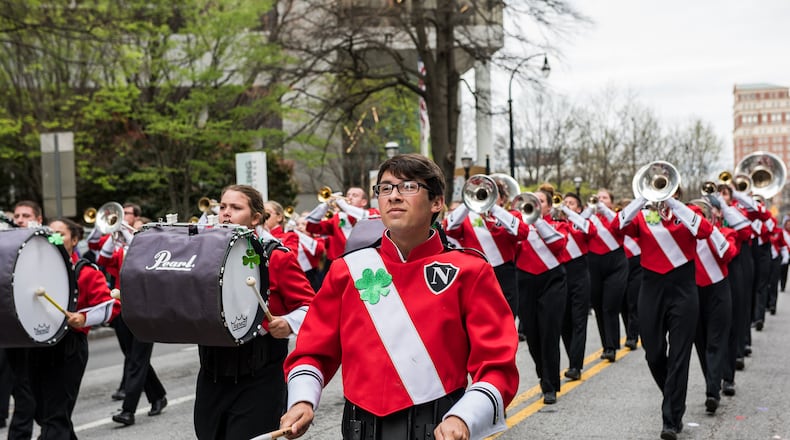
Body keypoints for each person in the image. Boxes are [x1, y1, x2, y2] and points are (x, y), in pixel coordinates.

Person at [280, 154, 519, 440]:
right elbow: (312, 350)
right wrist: (302, 400)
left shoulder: (470, 271)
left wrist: (463, 417)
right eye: (385, 188)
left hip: (439, 428)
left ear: (436, 202)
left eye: (408, 187)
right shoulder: (346, 270)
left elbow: (496, 365)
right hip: (359, 429)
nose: (393, 196)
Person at [194, 184, 314, 439]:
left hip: (259, 375)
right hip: (211, 374)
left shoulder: (276, 256)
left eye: (236, 208)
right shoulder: (204, 256)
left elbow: (312, 307)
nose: (226, 213)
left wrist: (288, 323)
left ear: (256, 217)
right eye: (223, 207)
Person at [612, 189, 713, 440]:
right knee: (654, 353)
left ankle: (671, 418)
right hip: (651, 287)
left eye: (666, 187)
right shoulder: (643, 216)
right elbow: (617, 226)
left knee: (680, 355)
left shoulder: (690, 212)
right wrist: (641, 199)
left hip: (683, 289)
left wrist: (673, 204)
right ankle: (673, 395)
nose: (660, 191)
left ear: (676, 190)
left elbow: (705, 231)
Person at [33, 217, 120, 438]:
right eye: (50, 233)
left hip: (70, 347)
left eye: (61, 234)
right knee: (42, 412)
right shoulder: (34, 270)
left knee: (55, 418)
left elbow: (112, 307)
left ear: (74, 240)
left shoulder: (85, 271)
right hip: (40, 344)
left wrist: (83, 318)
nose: (54, 238)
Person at [514, 184, 568, 404]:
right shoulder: (517, 226)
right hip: (525, 281)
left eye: (540, 202)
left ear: (548, 206)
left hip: (552, 281)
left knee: (549, 333)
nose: (535, 205)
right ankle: (543, 375)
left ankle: (550, 383)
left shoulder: (557, 225)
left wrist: (536, 219)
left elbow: (559, 245)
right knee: (533, 336)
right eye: (531, 201)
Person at [443, 178, 528, 317]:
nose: (485, 196)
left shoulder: (510, 216)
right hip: (477, 274)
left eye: (492, 193)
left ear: (501, 198)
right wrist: (468, 202)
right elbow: (448, 228)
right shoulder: (466, 218)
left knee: (507, 319)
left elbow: (522, 232)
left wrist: (492, 206)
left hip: (504, 274)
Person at [585, 189, 628, 362]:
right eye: (598, 198)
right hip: (593, 263)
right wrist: (590, 210)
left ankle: (612, 346)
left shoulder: (615, 216)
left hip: (616, 262)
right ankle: (606, 345)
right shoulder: (590, 218)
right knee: (598, 305)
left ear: (611, 202)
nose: (600, 200)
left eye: (605, 198)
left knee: (610, 306)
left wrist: (605, 210)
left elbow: (621, 226)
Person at [559, 192, 595, 380]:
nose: (566, 205)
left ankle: (575, 365)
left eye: (571, 203)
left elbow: (590, 231)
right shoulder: (556, 223)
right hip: (561, 272)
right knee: (564, 321)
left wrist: (569, 213)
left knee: (578, 320)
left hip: (579, 271)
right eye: (564, 202)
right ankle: (573, 358)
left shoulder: (580, 223)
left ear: (579, 209)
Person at [304, 186, 380, 272]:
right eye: (348, 195)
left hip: (365, 264)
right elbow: (311, 227)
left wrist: (345, 207)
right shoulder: (337, 218)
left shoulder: (372, 213)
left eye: (354, 195)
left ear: (364, 202)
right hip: (341, 267)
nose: (349, 197)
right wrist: (325, 205)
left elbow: (366, 216)